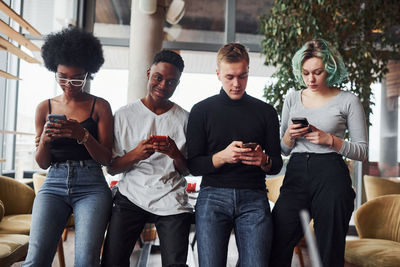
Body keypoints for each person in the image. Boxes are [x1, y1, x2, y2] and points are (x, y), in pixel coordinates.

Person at [269, 39, 368, 267]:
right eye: (305, 73)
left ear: (330, 69)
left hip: (331, 173)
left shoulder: (348, 100)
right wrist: (289, 137)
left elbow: (362, 151)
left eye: (317, 72)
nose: (311, 79)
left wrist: (330, 140)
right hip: (296, 173)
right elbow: (283, 149)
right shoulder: (292, 98)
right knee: (276, 239)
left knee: (329, 251)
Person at [187, 43, 283, 267]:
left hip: (254, 197)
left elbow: (276, 164)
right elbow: (193, 165)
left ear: (248, 71)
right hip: (212, 196)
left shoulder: (266, 112)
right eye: (230, 77)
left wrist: (264, 161)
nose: (236, 83)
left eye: (243, 76)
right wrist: (222, 157)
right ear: (218, 74)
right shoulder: (201, 111)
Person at [24, 27, 113, 267]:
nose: (69, 84)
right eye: (62, 77)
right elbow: (42, 162)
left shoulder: (100, 107)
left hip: (92, 185)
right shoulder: (45, 108)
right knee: (36, 260)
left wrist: (83, 135)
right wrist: (44, 140)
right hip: (53, 182)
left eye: (76, 78)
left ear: (88, 74)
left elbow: (107, 158)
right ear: (54, 70)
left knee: (85, 262)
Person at [101, 50, 193, 267]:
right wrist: (136, 154)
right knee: (112, 261)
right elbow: (112, 169)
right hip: (131, 195)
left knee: (175, 264)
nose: (163, 86)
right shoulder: (124, 115)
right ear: (148, 73)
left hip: (171, 197)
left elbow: (187, 170)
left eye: (171, 82)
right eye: (158, 78)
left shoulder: (185, 119)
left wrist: (175, 153)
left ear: (177, 84)